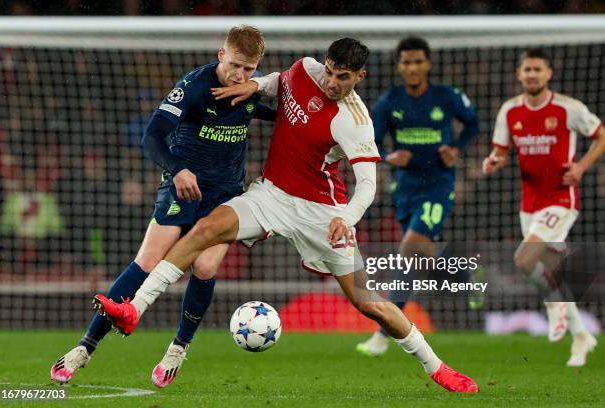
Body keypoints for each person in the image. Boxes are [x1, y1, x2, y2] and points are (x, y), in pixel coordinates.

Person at [94, 38, 478, 393]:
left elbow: (368, 185)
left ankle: (437, 367)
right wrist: (256, 85)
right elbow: (281, 80)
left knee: (366, 301)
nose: (330, 82)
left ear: (360, 77)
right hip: (271, 195)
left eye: (342, 77)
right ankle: (133, 310)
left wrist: (348, 218)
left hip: (321, 213)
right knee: (204, 230)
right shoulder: (305, 69)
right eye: (329, 71)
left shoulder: (355, 122)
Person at [50, 25, 275, 388]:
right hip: (182, 185)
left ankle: (178, 349)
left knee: (203, 266)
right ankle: (84, 348)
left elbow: (271, 113)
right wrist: (178, 169)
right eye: (235, 65)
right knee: (148, 259)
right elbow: (151, 135)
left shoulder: (249, 90)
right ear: (221, 55)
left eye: (250, 69)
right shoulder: (195, 86)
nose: (240, 75)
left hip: (227, 195)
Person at [356, 37, 479, 357]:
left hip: (438, 185)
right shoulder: (389, 102)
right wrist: (390, 157)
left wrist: (456, 149)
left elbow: (473, 122)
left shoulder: (447, 97)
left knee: (409, 248)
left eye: (417, 61)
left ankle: (383, 333)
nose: (412, 67)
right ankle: (461, 274)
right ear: (399, 66)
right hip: (406, 187)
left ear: (428, 64)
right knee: (416, 257)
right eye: (406, 62)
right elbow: (372, 142)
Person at [483, 48, 604, 367]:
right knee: (546, 270)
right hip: (529, 203)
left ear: (549, 74)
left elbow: (601, 135)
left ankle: (554, 306)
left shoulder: (568, 108)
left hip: (561, 198)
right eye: (528, 69)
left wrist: (581, 167)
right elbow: (500, 150)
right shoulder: (510, 111)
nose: (532, 74)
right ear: (519, 74)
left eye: (538, 69)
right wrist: (493, 161)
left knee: (524, 260)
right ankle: (581, 336)